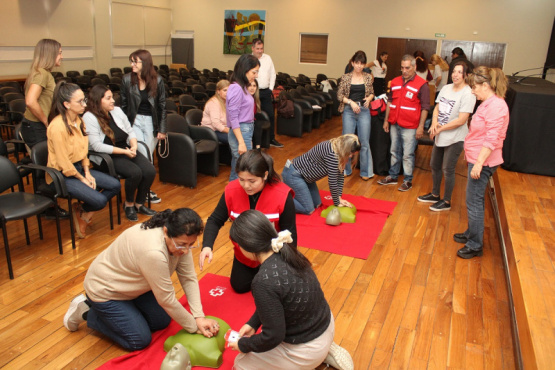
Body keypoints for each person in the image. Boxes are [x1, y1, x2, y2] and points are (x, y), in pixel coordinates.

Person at [62, 208, 220, 351]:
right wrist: (195, 326)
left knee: (162, 321)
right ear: (166, 231)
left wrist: (199, 316)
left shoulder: (179, 239)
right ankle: (87, 311)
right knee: (139, 339)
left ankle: (123, 312)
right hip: (106, 291)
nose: (186, 250)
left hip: (134, 287)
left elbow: (188, 278)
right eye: (182, 245)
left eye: (191, 244)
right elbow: (166, 299)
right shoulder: (153, 252)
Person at [228, 210, 354, 370]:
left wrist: (244, 344)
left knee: (240, 364)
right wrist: (253, 323)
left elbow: (273, 336)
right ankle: (325, 350)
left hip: (306, 349)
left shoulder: (263, 281)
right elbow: (280, 301)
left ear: (245, 246)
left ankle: (316, 358)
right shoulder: (287, 252)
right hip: (325, 326)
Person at [199, 150, 296, 293]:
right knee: (239, 286)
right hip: (244, 255)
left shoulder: (282, 195)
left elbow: (290, 232)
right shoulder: (231, 190)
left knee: (275, 290)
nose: (246, 186)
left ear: (265, 175)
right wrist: (207, 246)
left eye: (252, 181)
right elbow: (215, 220)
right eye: (241, 179)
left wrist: (290, 265)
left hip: (272, 255)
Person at [46, 82, 121, 238]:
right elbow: (63, 162)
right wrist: (82, 178)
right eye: (79, 101)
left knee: (115, 185)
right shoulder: (57, 127)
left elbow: (83, 152)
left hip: (78, 169)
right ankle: (82, 212)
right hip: (60, 175)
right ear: (66, 104)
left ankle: (83, 214)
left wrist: (87, 171)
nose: (84, 104)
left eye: (84, 100)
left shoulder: (79, 121)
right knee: (100, 201)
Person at [454, 66, 509, 259]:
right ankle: (472, 232)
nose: (472, 90)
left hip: (484, 162)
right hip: (477, 158)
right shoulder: (488, 103)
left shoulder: (496, 106)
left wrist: (478, 163)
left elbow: (491, 139)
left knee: (474, 201)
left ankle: (475, 244)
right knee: (473, 200)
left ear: (485, 85)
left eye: (475, 87)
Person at [83, 85, 157, 222]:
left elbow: (130, 130)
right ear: (98, 100)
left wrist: (134, 145)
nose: (113, 101)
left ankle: (139, 203)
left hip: (125, 149)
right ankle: (128, 204)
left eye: (112, 97)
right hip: (107, 156)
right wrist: (125, 151)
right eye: (108, 98)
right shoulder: (89, 117)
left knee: (150, 171)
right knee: (135, 173)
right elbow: (97, 146)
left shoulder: (116, 111)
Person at [417, 62, 476, 211]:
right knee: (434, 165)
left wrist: (440, 128)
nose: (455, 75)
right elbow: (437, 107)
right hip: (440, 134)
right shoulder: (446, 88)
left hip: (456, 137)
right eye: (454, 71)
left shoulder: (468, 93)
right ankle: (435, 194)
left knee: (447, 169)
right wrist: (434, 123)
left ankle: (447, 201)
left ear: (466, 76)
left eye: (459, 72)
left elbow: (462, 120)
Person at [378, 54, 430, 191]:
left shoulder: (422, 85)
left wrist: (421, 127)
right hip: (394, 123)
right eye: (402, 68)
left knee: (408, 154)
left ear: (414, 67)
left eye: (407, 68)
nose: (404, 70)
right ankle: (393, 176)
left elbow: (425, 108)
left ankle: (407, 180)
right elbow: (389, 102)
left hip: (411, 127)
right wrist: (386, 120)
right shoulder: (394, 82)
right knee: (394, 151)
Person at [121, 49, 166, 204]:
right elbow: (124, 105)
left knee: (149, 158)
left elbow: (162, 106)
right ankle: (145, 192)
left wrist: (162, 129)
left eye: (136, 61)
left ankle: (144, 190)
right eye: (131, 61)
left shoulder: (158, 80)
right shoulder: (127, 80)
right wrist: (124, 127)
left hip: (151, 122)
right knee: (144, 156)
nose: (132, 64)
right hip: (133, 121)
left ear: (145, 63)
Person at [282, 134, 360, 215]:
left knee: (317, 204)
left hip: (307, 178)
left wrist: (339, 197)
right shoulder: (332, 154)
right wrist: (337, 202)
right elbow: (333, 181)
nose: (351, 156)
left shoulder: (339, 149)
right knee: (308, 209)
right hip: (294, 174)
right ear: (345, 148)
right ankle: (279, 197)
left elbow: (340, 176)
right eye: (351, 153)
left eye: (353, 154)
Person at [337, 50, 375, 180]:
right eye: (357, 63)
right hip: (349, 110)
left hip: (364, 110)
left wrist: (369, 98)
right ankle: (346, 169)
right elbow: (339, 96)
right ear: (352, 63)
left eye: (362, 64)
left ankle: (366, 172)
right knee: (347, 141)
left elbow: (371, 92)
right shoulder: (345, 77)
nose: (359, 66)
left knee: (364, 141)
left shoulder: (368, 77)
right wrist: (351, 102)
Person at [22, 39, 63, 148]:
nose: (61, 57)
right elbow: (30, 101)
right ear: (50, 54)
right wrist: (45, 121)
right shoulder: (42, 74)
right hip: (36, 126)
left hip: (36, 125)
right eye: (59, 53)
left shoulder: (43, 72)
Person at [227, 54, 260, 181]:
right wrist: (241, 142)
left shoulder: (243, 87)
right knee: (243, 169)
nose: (256, 75)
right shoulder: (236, 88)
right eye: (254, 72)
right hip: (240, 131)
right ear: (245, 69)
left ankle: (231, 196)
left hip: (245, 130)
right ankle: (234, 197)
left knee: (238, 167)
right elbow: (233, 117)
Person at [252, 38, 283, 148]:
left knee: (270, 115)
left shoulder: (268, 58)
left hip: (265, 91)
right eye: (257, 48)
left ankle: (271, 139)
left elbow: (273, 74)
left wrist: (270, 88)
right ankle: (254, 141)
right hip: (252, 92)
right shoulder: (248, 59)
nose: (260, 51)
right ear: (253, 48)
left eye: (261, 48)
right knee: (252, 116)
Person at [200, 79, 230, 144]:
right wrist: (231, 131)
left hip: (221, 129)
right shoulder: (213, 103)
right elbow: (216, 124)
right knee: (235, 139)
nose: (228, 93)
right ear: (218, 91)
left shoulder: (226, 102)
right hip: (211, 131)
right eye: (225, 90)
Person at [248, 79, 264, 149]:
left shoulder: (255, 98)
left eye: (254, 86)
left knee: (258, 124)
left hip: (251, 120)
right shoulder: (245, 99)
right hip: (245, 122)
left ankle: (258, 147)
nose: (252, 88)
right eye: (250, 85)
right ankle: (258, 148)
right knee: (257, 125)